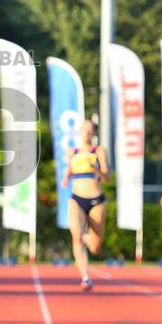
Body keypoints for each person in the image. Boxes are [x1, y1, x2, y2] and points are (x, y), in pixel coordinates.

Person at [61, 120, 110, 291]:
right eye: (84, 130)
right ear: (80, 132)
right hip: (77, 198)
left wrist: (94, 169)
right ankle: (86, 277)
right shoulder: (72, 152)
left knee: (96, 247)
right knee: (76, 236)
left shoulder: (99, 151)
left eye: (90, 130)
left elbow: (107, 177)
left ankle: (88, 237)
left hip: (96, 199)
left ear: (94, 133)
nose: (87, 133)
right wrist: (66, 178)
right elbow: (69, 170)